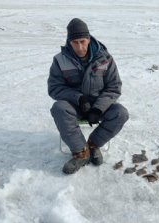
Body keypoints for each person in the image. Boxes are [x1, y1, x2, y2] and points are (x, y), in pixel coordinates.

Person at [48, 18, 129, 174]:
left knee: (121, 113)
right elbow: (54, 88)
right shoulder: (60, 60)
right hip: (75, 105)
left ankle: (93, 145)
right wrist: (79, 98)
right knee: (59, 108)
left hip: (100, 106)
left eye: (83, 41)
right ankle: (81, 152)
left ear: (89, 38)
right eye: (75, 42)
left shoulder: (105, 58)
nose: (80, 47)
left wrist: (98, 109)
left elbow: (114, 87)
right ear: (69, 42)